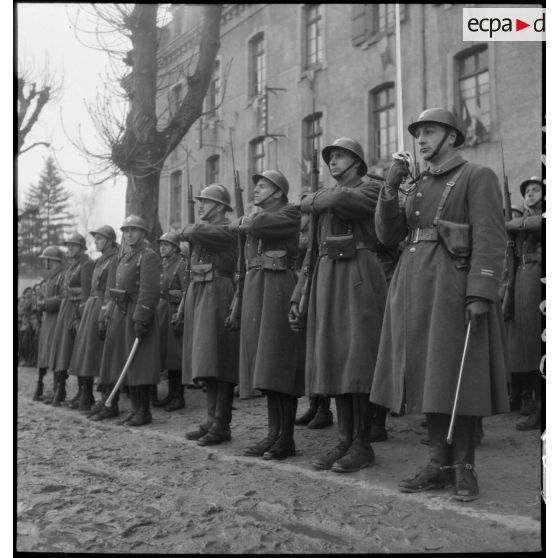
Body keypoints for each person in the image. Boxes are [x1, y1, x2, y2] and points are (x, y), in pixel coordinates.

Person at [370, 108, 509, 502]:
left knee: (457, 377)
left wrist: (481, 291)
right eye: (418, 133)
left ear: (451, 136)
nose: (422, 139)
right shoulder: (415, 185)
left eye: (430, 131)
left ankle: (463, 467)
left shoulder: (475, 176)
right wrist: (389, 190)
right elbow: (388, 235)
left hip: (452, 284)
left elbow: (490, 236)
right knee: (430, 377)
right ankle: (437, 462)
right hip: (413, 286)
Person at [290, 137, 387, 473]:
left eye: (341, 156)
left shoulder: (371, 188)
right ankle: (345, 439)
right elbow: (311, 251)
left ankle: (362, 444)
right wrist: (300, 292)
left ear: (357, 162)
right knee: (334, 358)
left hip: (358, 273)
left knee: (356, 359)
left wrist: (313, 198)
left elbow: (343, 200)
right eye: (330, 157)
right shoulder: (325, 200)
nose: (333, 161)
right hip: (328, 276)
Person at [229, 170, 304, 460]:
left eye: (262, 186)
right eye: (256, 186)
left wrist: (245, 220)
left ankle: (286, 439)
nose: (256, 190)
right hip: (257, 288)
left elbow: (255, 224)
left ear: (277, 191)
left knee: (280, 363)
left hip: (278, 288)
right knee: (267, 365)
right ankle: (273, 434)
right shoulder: (258, 217)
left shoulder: (288, 213)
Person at [179, 184, 239, 445]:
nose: (201, 206)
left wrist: (185, 230)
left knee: (220, 359)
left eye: (206, 202)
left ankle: (222, 423)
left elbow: (193, 231)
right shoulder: (205, 230)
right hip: (200, 291)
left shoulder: (228, 229)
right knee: (206, 359)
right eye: (200, 201)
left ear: (221, 207)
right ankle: (211, 417)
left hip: (219, 291)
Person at [95, 215, 162, 425]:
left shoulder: (148, 256)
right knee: (124, 360)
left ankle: (143, 411)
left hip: (136, 312)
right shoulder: (124, 258)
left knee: (139, 363)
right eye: (126, 230)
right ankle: (134, 409)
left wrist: (141, 318)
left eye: (133, 230)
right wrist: (108, 312)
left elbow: (149, 290)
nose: (129, 234)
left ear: (143, 233)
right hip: (121, 312)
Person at [503, 176, 543, 431]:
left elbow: (538, 222)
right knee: (526, 347)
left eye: (536, 189)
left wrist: (513, 224)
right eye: (527, 190)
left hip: (539, 274)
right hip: (522, 276)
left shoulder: (535, 218)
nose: (530, 193)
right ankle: (533, 403)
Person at [67, 226, 119, 412]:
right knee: (87, 353)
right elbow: (90, 289)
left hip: (102, 308)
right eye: (95, 238)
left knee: (101, 355)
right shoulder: (98, 262)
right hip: (91, 306)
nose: (95, 241)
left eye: (99, 238)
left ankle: (106, 399)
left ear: (110, 241)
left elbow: (109, 289)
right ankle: (86, 395)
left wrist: (104, 314)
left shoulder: (114, 259)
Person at [293, 213, 334, 430]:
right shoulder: (308, 232)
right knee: (313, 350)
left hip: (325, 282)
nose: (303, 218)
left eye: (306, 215)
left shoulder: (314, 231)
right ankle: (316, 405)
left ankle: (324, 409)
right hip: (309, 284)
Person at [47, 234, 94, 407]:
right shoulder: (70, 266)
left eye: (74, 245)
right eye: (69, 245)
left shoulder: (87, 264)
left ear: (82, 248)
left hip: (77, 311)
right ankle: (72, 392)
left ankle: (85, 394)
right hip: (65, 310)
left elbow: (88, 291)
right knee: (65, 351)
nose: (70, 248)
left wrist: (78, 315)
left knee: (79, 352)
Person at [153, 231, 189, 412]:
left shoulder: (182, 264)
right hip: (164, 312)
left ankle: (178, 397)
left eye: (166, 245)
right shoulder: (164, 265)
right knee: (167, 355)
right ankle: (170, 394)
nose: (162, 248)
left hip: (176, 313)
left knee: (176, 356)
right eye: (161, 245)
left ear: (175, 248)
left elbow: (186, 292)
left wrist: (180, 313)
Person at [32, 246, 65, 401]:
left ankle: (58, 390)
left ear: (51, 261)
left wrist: (44, 303)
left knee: (55, 355)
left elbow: (62, 298)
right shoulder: (52, 277)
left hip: (56, 320)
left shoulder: (62, 276)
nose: (44, 262)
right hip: (48, 320)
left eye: (46, 259)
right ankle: (44, 387)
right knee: (45, 355)